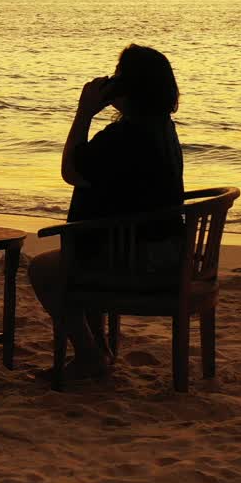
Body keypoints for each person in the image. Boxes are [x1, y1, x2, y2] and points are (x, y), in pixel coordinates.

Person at [29, 44, 184, 381]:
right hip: (172, 252)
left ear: (129, 88)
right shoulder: (162, 128)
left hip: (139, 260)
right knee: (88, 242)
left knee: (43, 270)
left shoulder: (124, 137)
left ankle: (88, 355)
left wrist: (84, 112)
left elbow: (71, 170)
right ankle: (99, 347)